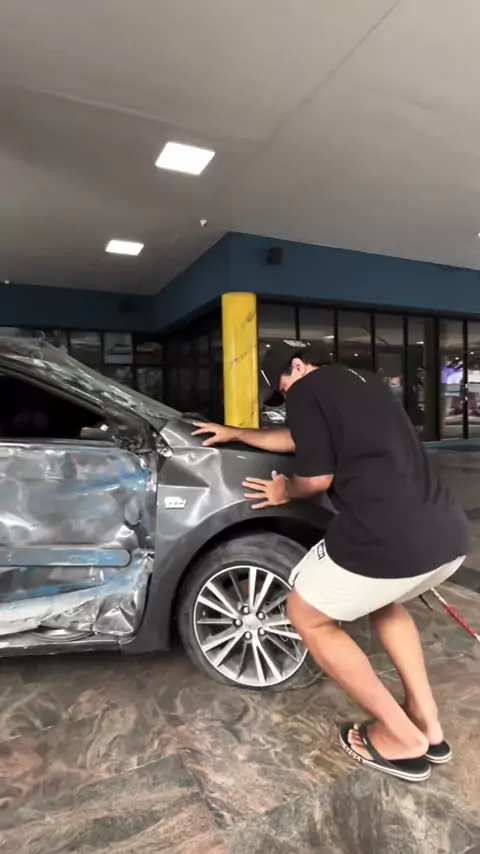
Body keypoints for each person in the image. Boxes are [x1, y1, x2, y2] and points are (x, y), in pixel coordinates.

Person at [192, 340, 470, 783]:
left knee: (306, 614)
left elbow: (317, 477)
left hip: (387, 536)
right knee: (382, 601)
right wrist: (238, 433)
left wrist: (285, 490)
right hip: (447, 534)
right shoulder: (366, 383)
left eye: (283, 387)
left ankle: (401, 737)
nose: (286, 397)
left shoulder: (307, 389)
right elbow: (301, 438)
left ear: (297, 366)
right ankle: (427, 724)